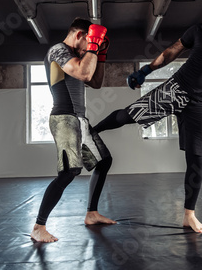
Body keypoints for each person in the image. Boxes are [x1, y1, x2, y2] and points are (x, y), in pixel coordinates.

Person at [93, 0, 202, 233]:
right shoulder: (199, 30)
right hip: (176, 89)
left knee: (196, 158)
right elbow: (172, 51)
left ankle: (189, 216)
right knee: (129, 115)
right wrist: (146, 71)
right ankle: (90, 131)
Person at [30, 18, 116, 243]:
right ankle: (39, 227)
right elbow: (85, 74)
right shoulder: (58, 51)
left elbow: (96, 82)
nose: (90, 48)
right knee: (69, 172)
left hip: (80, 120)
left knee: (103, 161)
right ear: (79, 35)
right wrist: (94, 47)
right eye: (89, 42)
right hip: (64, 119)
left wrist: (100, 54)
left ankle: (91, 213)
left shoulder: (79, 56)